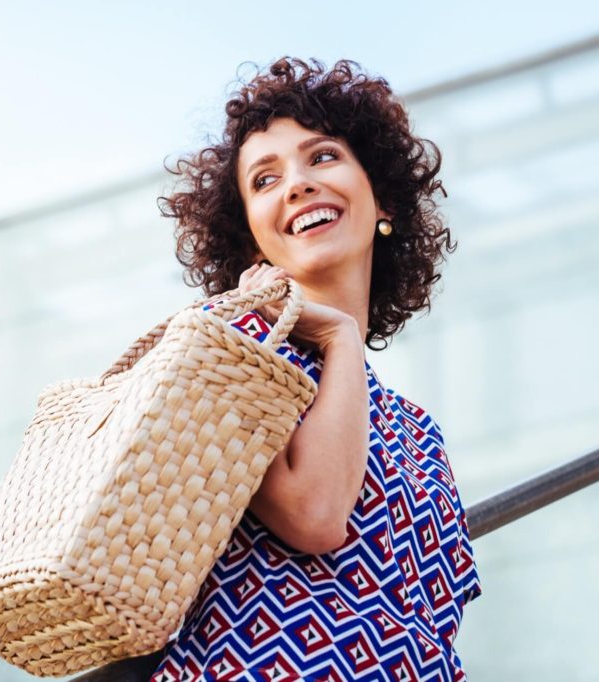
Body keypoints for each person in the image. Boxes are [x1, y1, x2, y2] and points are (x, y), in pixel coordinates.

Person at [148, 57, 483, 681]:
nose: (298, 184)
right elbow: (315, 515)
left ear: (380, 197)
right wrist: (341, 336)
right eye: (265, 179)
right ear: (252, 242)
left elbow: (434, 625)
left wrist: (342, 341)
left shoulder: (419, 430)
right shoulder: (231, 347)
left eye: (322, 157)